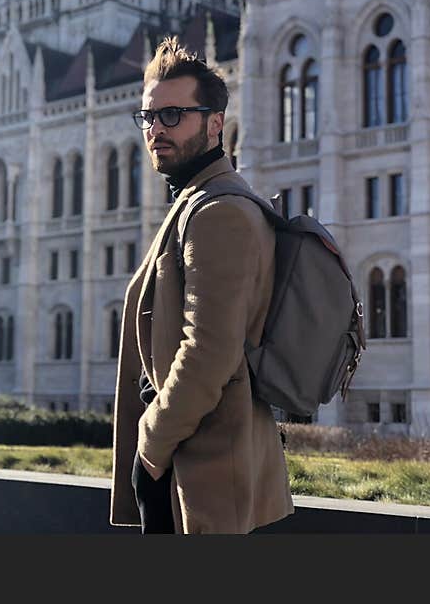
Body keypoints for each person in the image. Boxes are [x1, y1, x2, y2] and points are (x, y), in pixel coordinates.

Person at [109, 36, 294, 534]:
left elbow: (207, 352)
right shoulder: (199, 203)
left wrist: (151, 443)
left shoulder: (219, 212)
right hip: (193, 464)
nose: (156, 130)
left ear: (215, 123)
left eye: (173, 116)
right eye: (148, 117)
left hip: (203, 473)